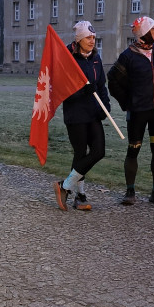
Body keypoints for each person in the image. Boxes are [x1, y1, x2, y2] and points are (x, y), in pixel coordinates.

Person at [108, 16, 154, 206]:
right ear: (145, 33)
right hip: (138, 112)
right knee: (133, 151)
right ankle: (130, 191)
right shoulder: (128, 56)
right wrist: (127, 102)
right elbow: (112, 80)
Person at [52, 21, 111, 211]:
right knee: (80, 154)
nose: (92, 41)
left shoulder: (95, 58)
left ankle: (65, 186)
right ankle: (80, 195)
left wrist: (105, 107)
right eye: (88, 37)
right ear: (79, 39)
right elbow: (62, 89)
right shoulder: (68, 58)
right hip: (75, 114)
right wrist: (82, 91)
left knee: (98, 151)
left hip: (93, 113)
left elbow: (101, 84)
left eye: (94, 37)